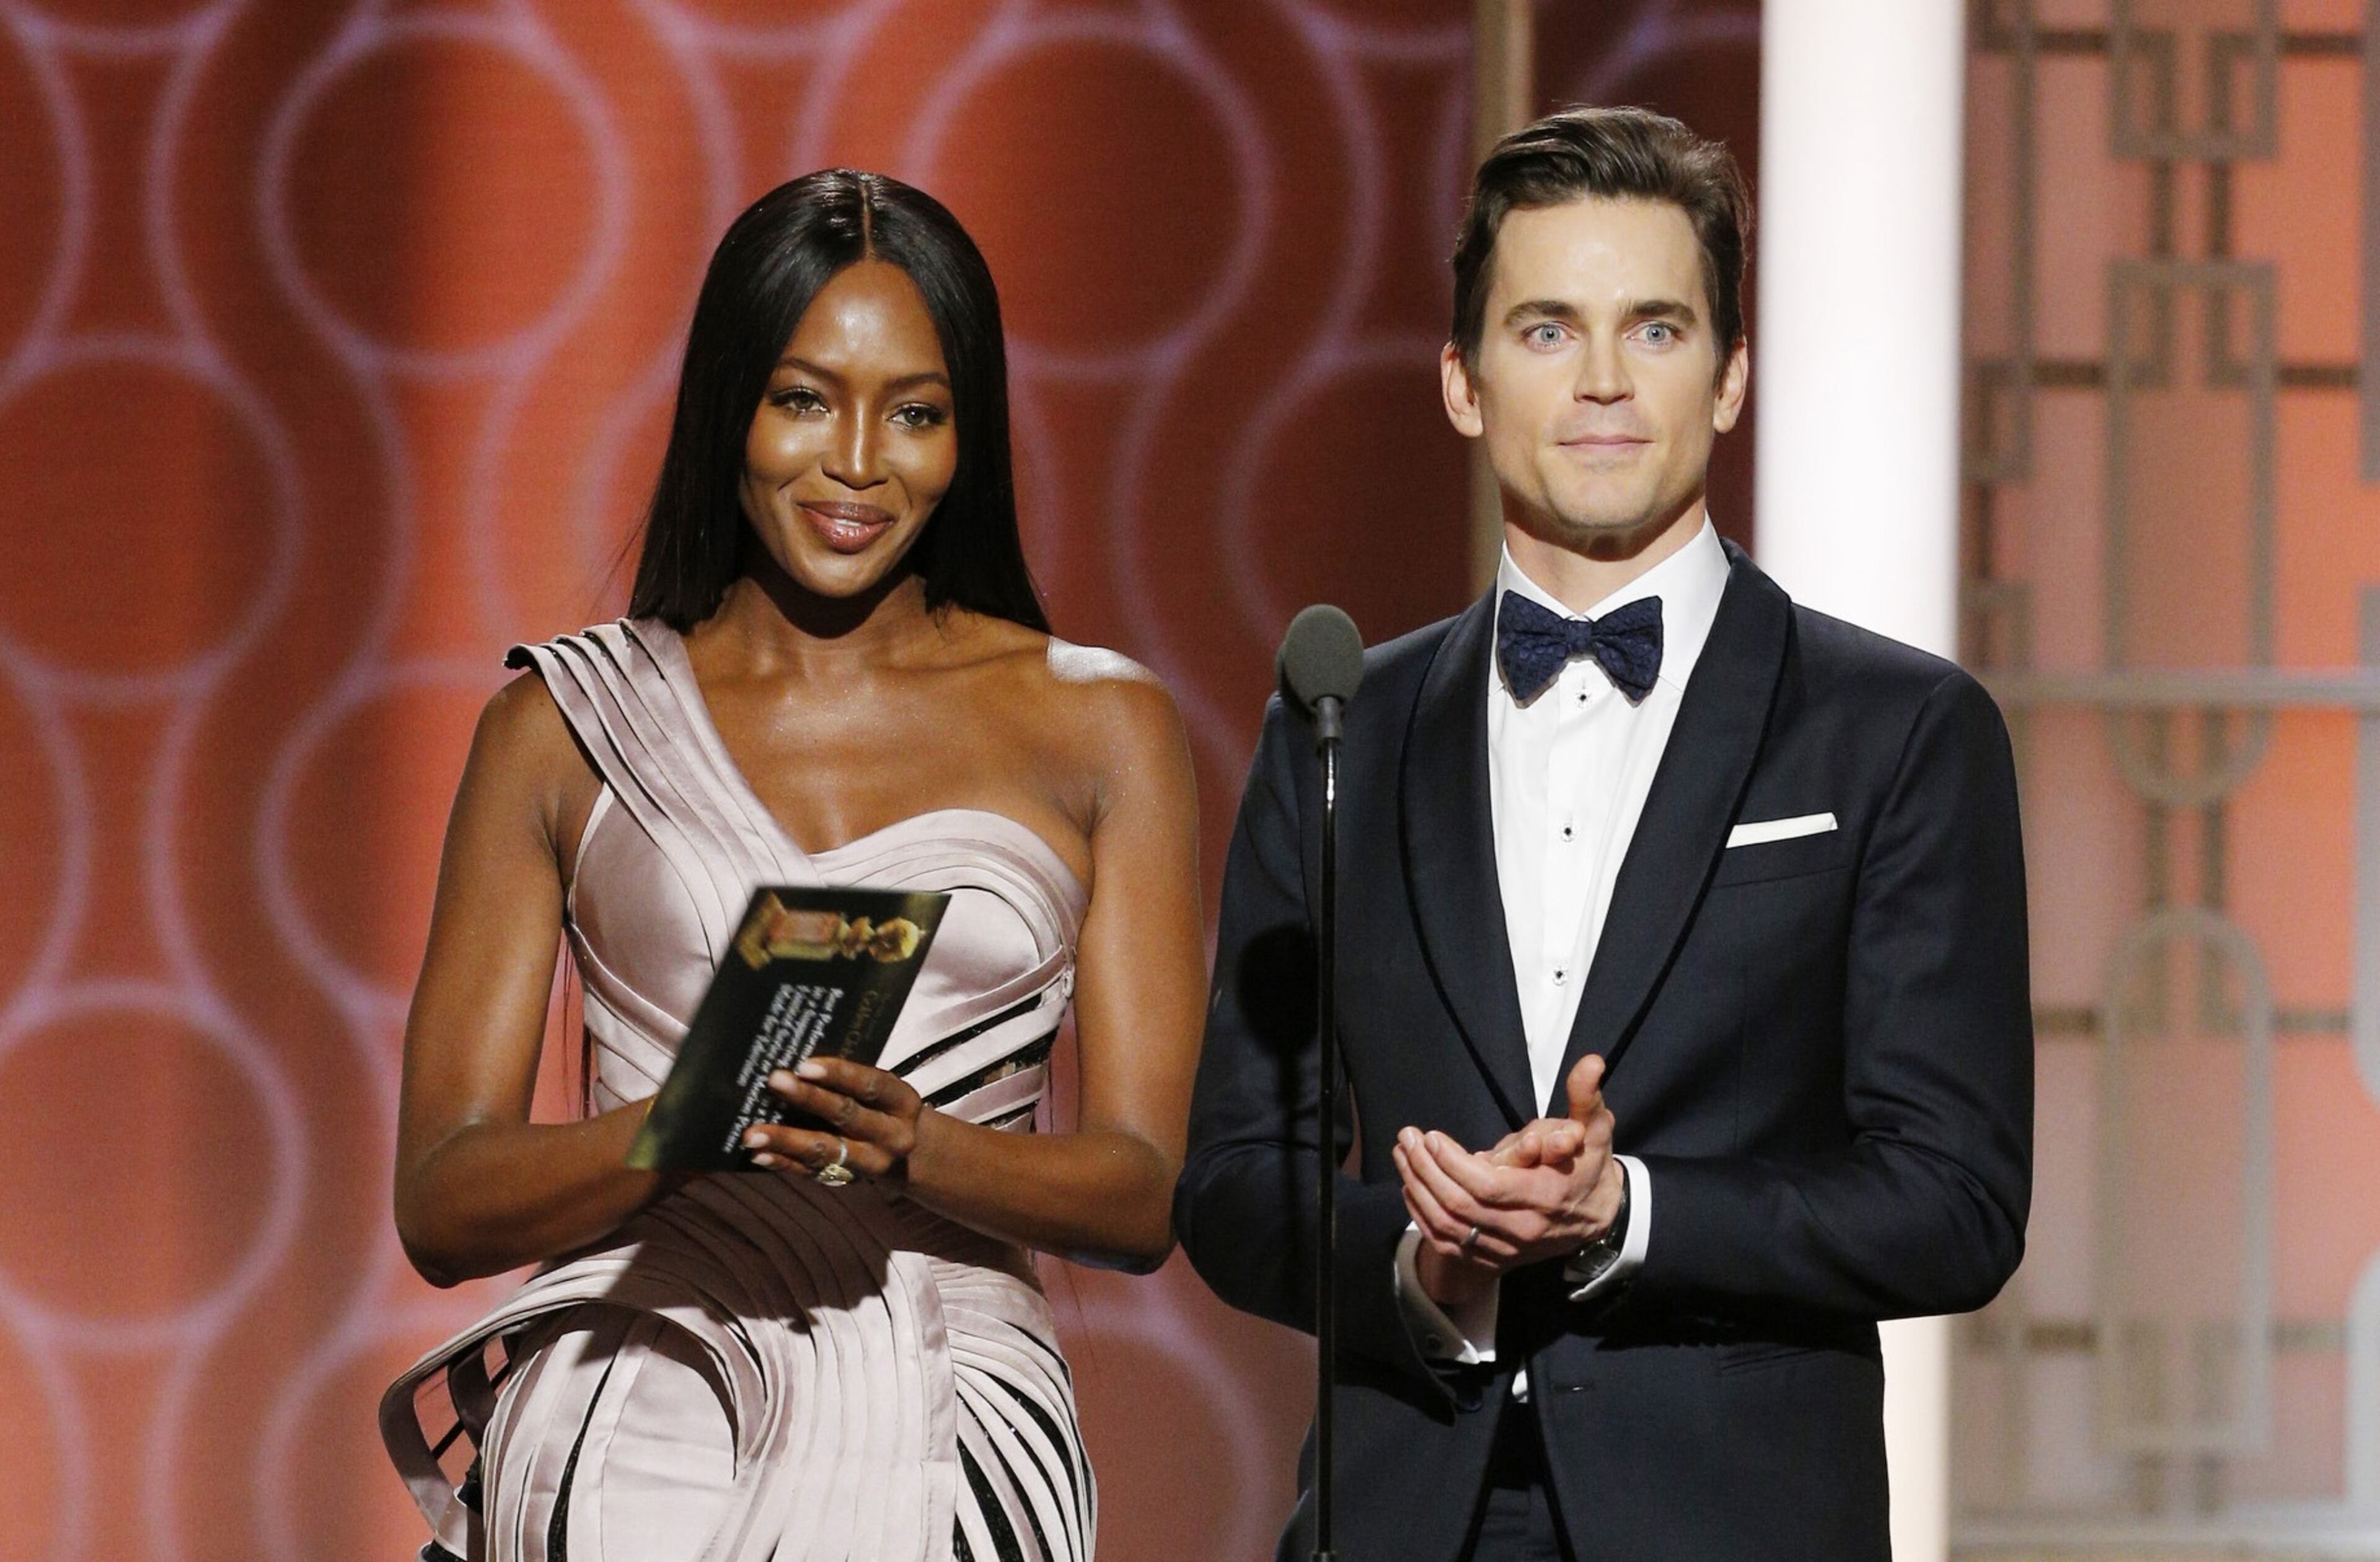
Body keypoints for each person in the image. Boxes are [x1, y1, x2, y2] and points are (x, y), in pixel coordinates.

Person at [1175, 107, 2034, 1561]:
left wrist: (1632, 1212)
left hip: (1737, 1521)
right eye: (1547, 331)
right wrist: (1415, 1251)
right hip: (1405, 1512)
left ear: (1731, 375)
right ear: (1462, 382)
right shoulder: (1338, 725)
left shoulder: (1897, 730)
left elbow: (1955, 1203)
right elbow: (1233, 1183)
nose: (1602, 384)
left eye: (1654, 329)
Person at [379, 170, 1205, 1562]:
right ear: (729, 411)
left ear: (970, 436)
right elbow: (442, 1201)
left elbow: (1143, 1192)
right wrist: (677, 1131)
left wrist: (919, 1148)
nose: (860, 463)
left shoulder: (1102, 725)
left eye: (920, 413)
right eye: (806, 399)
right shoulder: (562, 728)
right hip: (638, 1414)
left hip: (954, 1431)